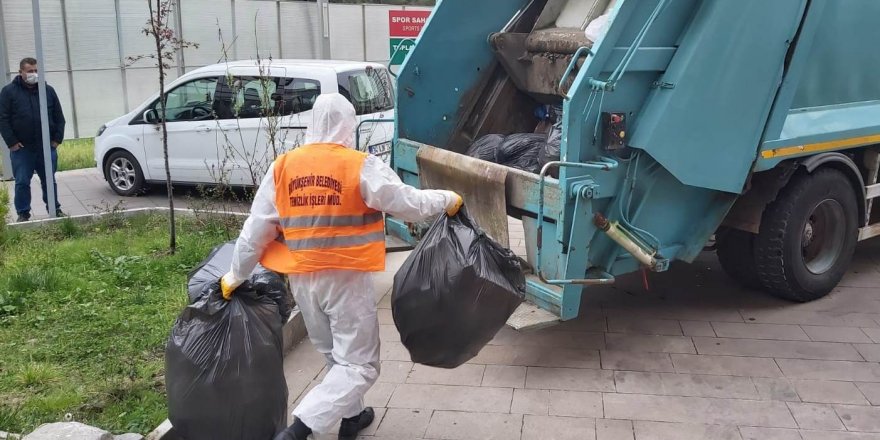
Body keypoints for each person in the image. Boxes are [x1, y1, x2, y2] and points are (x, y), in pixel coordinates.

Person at [220, 93, 462, 440]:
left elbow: (255, 231)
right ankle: (298, 429)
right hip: (346, 278)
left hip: (303, 279)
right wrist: (446, 199)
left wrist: (235, 274)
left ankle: (352, 417)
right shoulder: (357, 164)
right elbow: (406, 203)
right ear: (349, 124)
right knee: (360, 364)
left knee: (335, 354)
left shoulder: (283, 166)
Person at [0, 57, 66, 222]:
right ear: (21, 72)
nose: (34, 74)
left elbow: (59, 117)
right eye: (30, 71)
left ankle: (54, 209)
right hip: (23, 149)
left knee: (49, 180)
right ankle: (23, 213)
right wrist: (12, 143)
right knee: (22, 181)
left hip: (46, 146)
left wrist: (56, 140)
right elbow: (3, 119)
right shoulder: (9, 92)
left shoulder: (47, 90)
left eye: (36, 71)